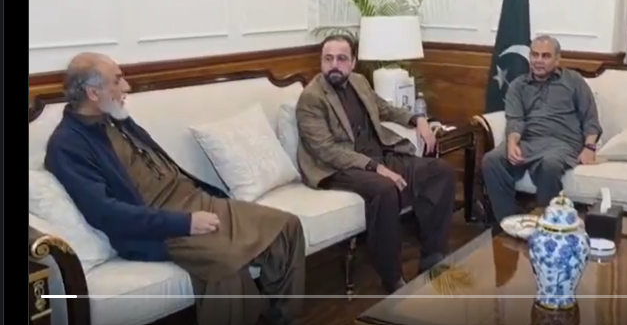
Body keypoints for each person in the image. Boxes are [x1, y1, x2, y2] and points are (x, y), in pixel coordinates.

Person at [44, 53, 306, 325]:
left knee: (287, 227)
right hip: (159, 226)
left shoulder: (113, 115)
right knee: (225, 263)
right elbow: (106, 213)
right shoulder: (67, 145)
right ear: (93, 92)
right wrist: (185, 223)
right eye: (117, 80)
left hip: (195, 199)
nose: (127, 87)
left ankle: (282, 318)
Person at [294, 34, 457, 293]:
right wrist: (377, 168)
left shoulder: (359, 82)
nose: (334, 65)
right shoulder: (311, 98)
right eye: (328, 59)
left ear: (353, 63)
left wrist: (418, 120)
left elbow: (385, 109)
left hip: (378, 155)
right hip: (337, 167)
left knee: (441, 172)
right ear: (321, 61)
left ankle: (432, 258)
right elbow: (326, 151)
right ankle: (392, 277)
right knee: (385, 189)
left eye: (341, 59)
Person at [481, 35, 603, 222]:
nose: (538, 60)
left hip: (563, 143)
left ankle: (548, 224)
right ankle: (509, 223)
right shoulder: (518, 85)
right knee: (491, 160)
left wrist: (589, 148)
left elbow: (591, 119)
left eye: (545, 56)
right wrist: (512, 143)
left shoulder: (573, 81)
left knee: (550, 165)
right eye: (534, 55)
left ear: (557, 59)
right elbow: (515, 120)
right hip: (529, 141)